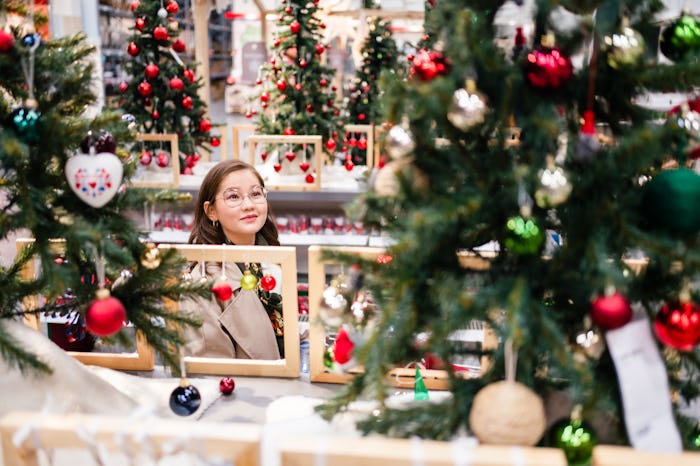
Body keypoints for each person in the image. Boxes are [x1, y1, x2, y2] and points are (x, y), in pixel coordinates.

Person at [180, 160, 283, 360]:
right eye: (234, 196)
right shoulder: (203, 283)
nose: (249, 205)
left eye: (256, 193)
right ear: (212, 211)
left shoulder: (270, 258)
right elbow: (213, 372)